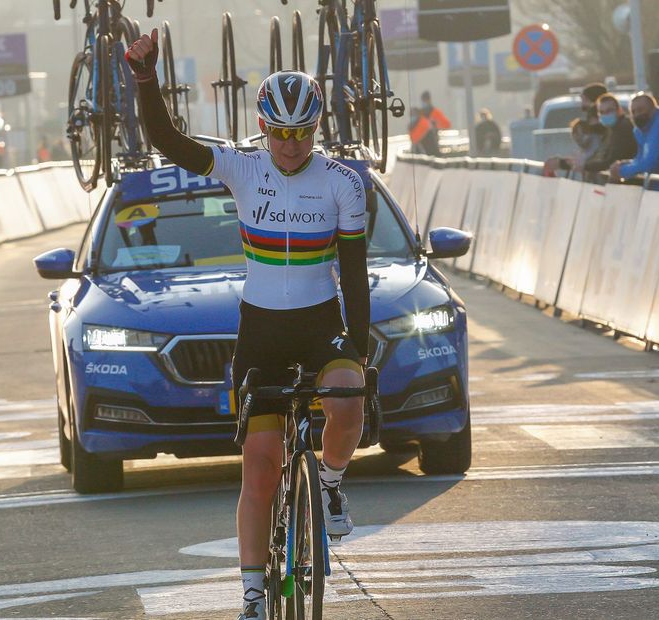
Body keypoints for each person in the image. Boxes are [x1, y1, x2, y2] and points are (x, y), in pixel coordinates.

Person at [127, 29, 369, 620]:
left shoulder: (343, 182)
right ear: (264, 129)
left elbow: (356, 277)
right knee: (260, 464)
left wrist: (358, 354)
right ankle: (254, 592)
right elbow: (166, 140)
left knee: (346, 401)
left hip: (320, 323)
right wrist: (144, 77)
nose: (291, 145)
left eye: (303, 132)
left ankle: (332, 482)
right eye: (281, 133)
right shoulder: (241, 168)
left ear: (318, 129)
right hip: (261, 328)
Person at [583, 93, 639, 176]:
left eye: (609, 110)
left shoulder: (623, 128)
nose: (605, 114)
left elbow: (612, 161)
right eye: (602, 112)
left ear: (619, 110)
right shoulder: (612, 129)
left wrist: (584, 166)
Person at [411, 91, 451, 156]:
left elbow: (447, 124)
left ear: (429, 100)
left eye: (425, 100)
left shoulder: (435, 112)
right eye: (423, 100)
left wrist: (435, 126)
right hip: (422, 145)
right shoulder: (421, 114)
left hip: (432, 143)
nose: (424, 102)